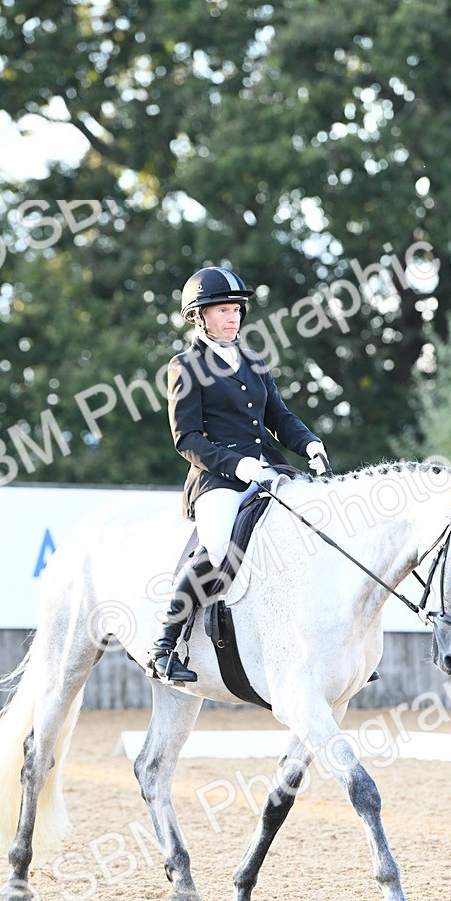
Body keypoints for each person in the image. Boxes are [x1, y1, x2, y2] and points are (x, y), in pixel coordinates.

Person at [149, 265, 328, 683]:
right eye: (222, 311)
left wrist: (310, 444)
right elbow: (186, 438)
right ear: (199, 316)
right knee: (215, 550)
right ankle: (165, 646)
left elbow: (279, 418)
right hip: (216, 477)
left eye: (236, 310)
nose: (233, 318)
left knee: (314, 529)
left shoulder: (254, 362)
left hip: (268, 468)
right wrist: (238, 465)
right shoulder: (186, 365)